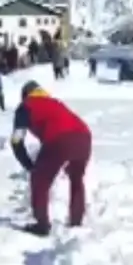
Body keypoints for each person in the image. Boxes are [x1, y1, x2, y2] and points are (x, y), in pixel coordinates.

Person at [10, 81, 92, 237]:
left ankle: (42, 224)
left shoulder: (25, 107)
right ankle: (76, 221)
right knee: (76, 179)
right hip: (84, 137)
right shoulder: (54, 103)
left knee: (40, 180)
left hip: (60, 139)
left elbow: (17, 141)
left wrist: (30, 166)